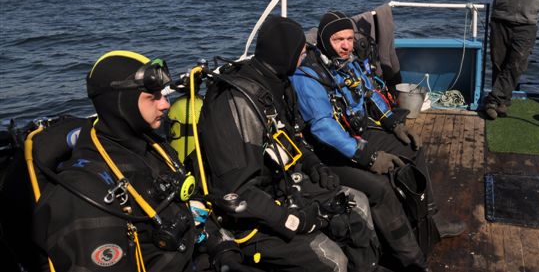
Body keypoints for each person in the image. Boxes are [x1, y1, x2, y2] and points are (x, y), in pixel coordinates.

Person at [198, 15, 381, 272]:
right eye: (302, 51)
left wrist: (313, 164)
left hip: (282, 182)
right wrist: (293, 220)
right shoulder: (236, 102)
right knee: (330, 259)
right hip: (251, 213)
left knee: (356, 203)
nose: (305, 56)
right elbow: (237, 192)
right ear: (284, 52)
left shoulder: (278, 83)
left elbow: (290, 135)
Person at [291, 11, 465, 272]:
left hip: (358, 133)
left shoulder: (349, 63)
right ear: (326, 40)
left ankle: (430, 217)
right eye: (339, 39)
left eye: (349, 38)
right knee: (380, 186)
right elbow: (323, 127)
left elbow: (370, 94)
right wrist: (368, 156)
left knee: (413, 149)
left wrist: (394, 125)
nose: (347, 45)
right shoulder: (308, 78)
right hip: (330, 151)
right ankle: (412, 261)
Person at [31, 51, 214, 271]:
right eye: (153, 96)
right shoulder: (86, 193)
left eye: (163, 94)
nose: (165, 104)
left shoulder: (154, 148)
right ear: (121, 102)